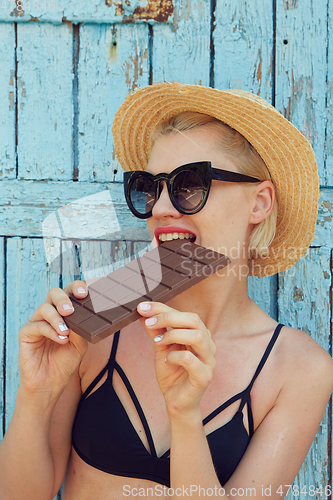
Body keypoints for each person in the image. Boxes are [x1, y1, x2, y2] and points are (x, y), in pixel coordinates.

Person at [1, 82, 333, 500]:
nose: (160, 208)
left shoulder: (300, 368)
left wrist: (184, 413)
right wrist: (36, 394)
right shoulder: (98, 313)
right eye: (151, 186)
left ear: (259, 203)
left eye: (189, 185)